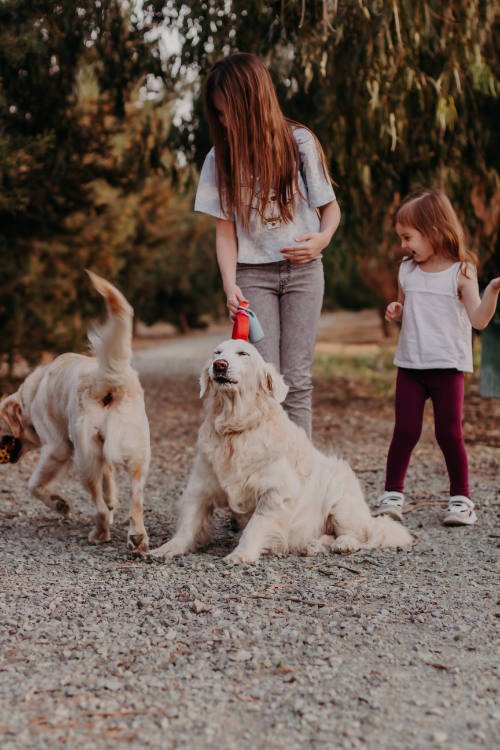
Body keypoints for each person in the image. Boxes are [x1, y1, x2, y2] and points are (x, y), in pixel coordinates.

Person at [194, 52, 340, 437]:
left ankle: (300, 476)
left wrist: (321, 240)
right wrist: (230, 284)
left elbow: (332, 210)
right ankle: (263, 468)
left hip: (304, 273)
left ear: (251, 104)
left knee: (296, 380)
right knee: (261, 379)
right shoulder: (218, 159)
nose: (222, 121)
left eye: (227, 112)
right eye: (218, 114)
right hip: (252, 277)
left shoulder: (300, 142)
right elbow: (225, 232)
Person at [374, 189, 500, 526]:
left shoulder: (462, 272)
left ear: (433, 230)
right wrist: (397, 309)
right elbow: (407, 307)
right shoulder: (407, 270)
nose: (403, 245)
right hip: (411, 366)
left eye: (407, 237)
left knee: (449, 433)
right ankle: (392, 494)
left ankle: (461, 499)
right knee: (405, 430)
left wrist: (490, 293)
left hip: (447, 367)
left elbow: (478, 320)